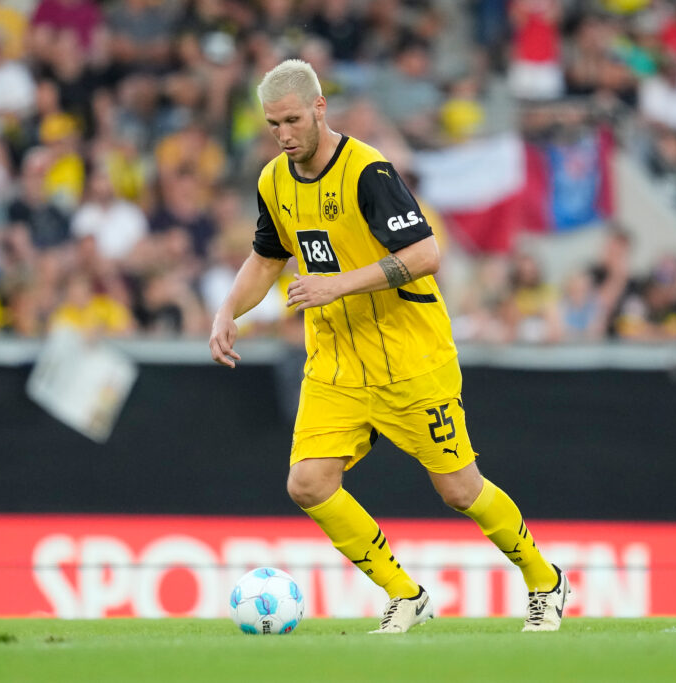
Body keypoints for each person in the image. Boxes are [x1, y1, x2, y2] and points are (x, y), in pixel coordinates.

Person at [208, 60, 570, 634]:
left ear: (320, 108)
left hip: (409, 358)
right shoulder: (273, 180)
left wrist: (337, 285)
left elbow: (426, 254)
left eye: (293, 120)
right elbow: (266, 257)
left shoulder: (368, 171)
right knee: (307, 483)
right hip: (335, 363)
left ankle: (545, 580)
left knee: (459, 490)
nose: (284, 135)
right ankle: (406, 594)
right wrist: (228, 309)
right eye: (273, 124)